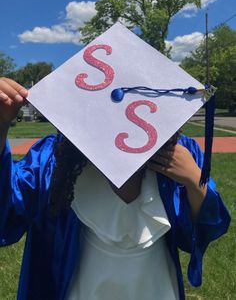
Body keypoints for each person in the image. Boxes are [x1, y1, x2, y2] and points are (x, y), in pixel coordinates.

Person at [0, 77, 231, 300]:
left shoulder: (176, 154)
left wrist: (193, 180)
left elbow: (202, 230)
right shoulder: (54, 159)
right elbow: (6, 212)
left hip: (156, 287)